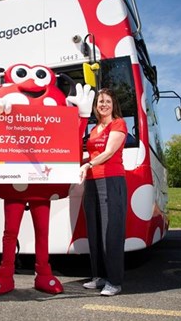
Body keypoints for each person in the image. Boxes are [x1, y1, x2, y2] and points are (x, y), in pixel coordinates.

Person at [79, 88, 127, 296]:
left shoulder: (118, 124)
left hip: (111, 180)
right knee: (95, 230)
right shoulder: (95, 128)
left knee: (111, 232)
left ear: (113, 104)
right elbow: (89, 153)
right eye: (100, 101)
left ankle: (114, 281)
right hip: (92, 182)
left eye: (107, 101)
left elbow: (108, 152)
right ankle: (99, 276)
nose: (103, 104)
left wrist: (87, 164)